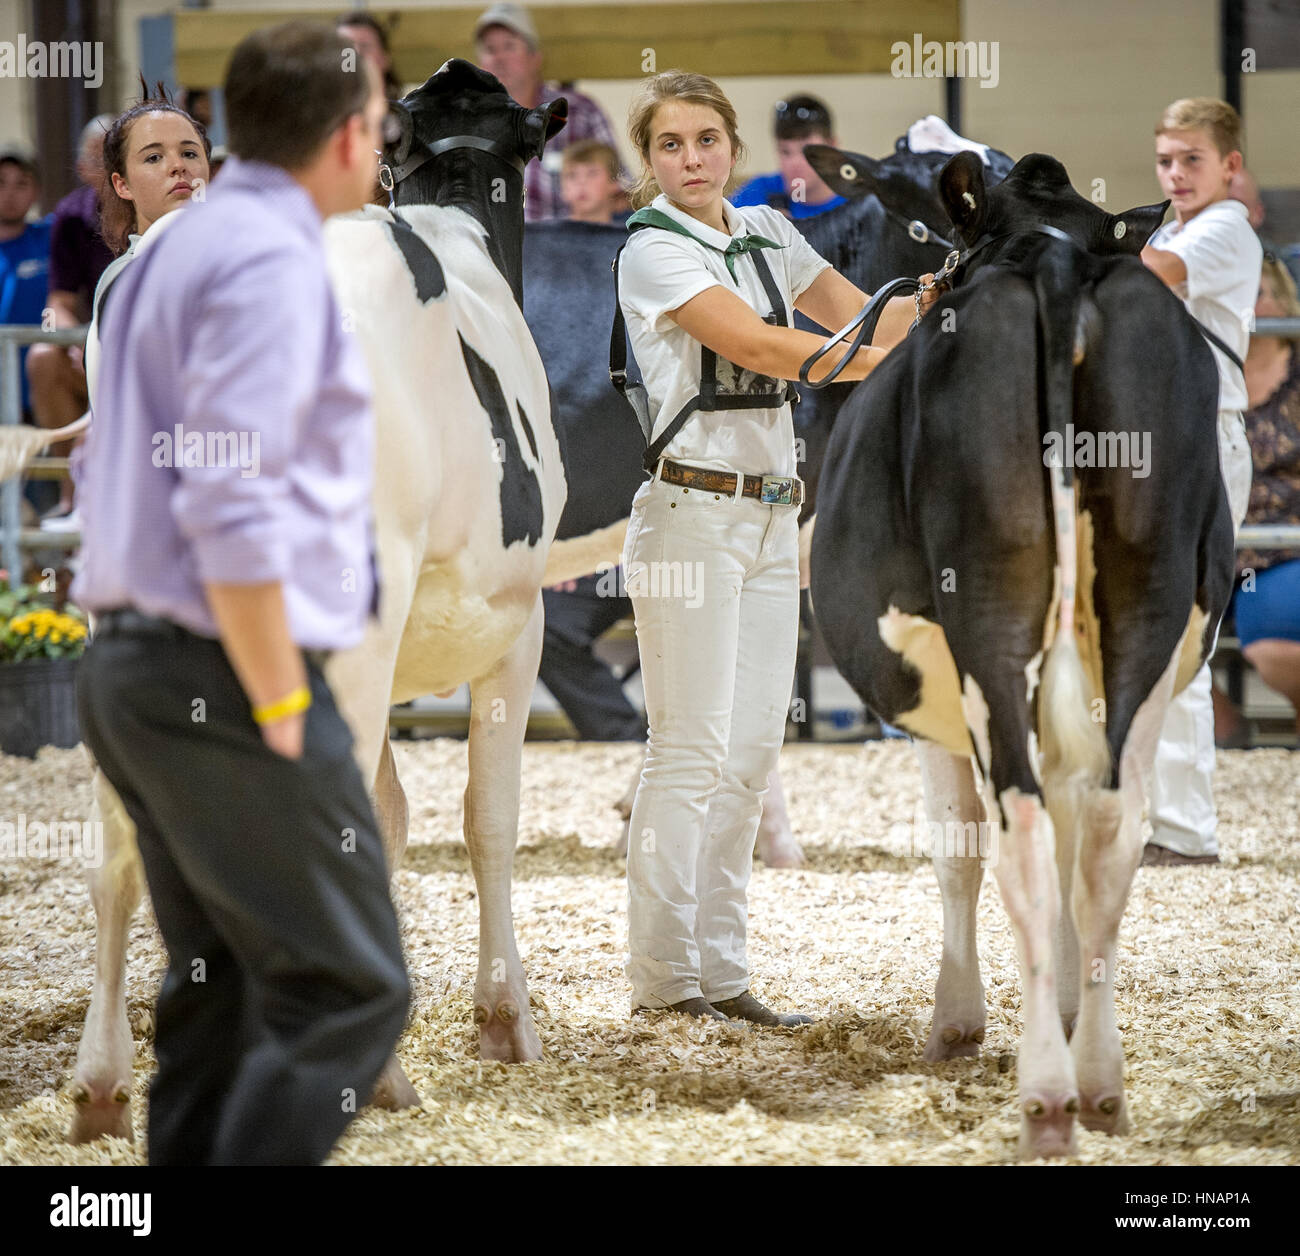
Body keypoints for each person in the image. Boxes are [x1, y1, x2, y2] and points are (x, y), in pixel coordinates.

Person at [72, 20, 409, 1166]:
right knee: (352, 989)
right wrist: (279, 704)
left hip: (135, 661)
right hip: (218, 662)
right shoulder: (266, 259)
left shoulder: (171, 249)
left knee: (215, 987)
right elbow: (227, 493)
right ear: (349, 132)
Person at [617, 70, 935, 1024]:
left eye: (706, 140)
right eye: (670, 145)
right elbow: (757, 346)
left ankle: (724, 974)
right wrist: (889, 367)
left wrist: (953, 295)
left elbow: (857, 314)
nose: (691, 160)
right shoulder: (650, 247)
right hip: (690, 517)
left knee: (751, 750)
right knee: (687, 747)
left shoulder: (767, 230)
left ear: (732, 147)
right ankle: (665, 981)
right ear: (651, 159)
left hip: (769, 516)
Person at [1141, 97, 1263, 866]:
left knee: (1184, 632)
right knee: (1153, 633)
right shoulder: (1167, 227)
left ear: (1230, 166)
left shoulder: (1222, 230)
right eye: (1165, 161)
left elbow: (1150, 277)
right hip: (1160, 441)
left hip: (1205, 438)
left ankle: (1187, 834)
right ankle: (1159, 820)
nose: (1177, 174)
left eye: (1191, 159)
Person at [1217, 256, 1300, 739]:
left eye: (1258, 291)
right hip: (1203, 543)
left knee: (1280, 632)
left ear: (1283, 301)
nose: (1246, 305)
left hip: (1281, 547)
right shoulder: (1199, 367)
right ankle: (1227, 732)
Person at [24, 114, 115, 520]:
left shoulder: (163, 206)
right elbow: (57, 301)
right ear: (81, 168)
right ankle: (74, 492)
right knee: (43, 357)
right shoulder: (72, 215)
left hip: (151, 351)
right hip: (95, 346)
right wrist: (79, 340)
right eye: (99, 158)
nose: (110, 166)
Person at [474, 3, 624, 221]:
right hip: (491, 248)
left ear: (535, 58)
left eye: (509, 46)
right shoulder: (468, 122)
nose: (499, 58)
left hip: (570, 244)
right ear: (479, 65)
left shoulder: (578, 112)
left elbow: (622, 191)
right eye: (490, 49)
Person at [729, 94, 846, 221]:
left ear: (832, 147)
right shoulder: (758, 193)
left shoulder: (860, 205)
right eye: (785, 151)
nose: (794, 163)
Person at [560, 139, 628, 224]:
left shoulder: (632, 234)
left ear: (614, 182)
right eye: (572, 175)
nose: (581, 182)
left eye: (592, 173)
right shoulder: (550, 234)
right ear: (563, 188)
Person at [337, 9, 402, 98]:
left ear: (385, 58)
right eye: (346, 47)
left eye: (365, 46)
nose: (356, 53)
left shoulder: (407, 110)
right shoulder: (315, 108)